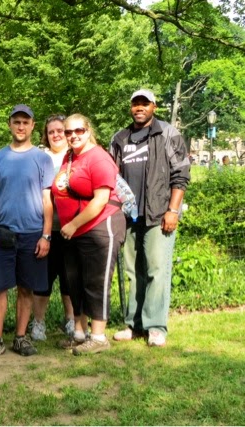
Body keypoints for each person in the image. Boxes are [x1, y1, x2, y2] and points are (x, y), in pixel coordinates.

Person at [110, 89, 190, 347]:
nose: (140, 107)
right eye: (136, 103)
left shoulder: (167, 133)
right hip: (129, 216)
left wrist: (173, 211)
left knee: (157, 269)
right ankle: (133, 325)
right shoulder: (120, 138)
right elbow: (111, 177)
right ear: (130, 107)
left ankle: (155, 327)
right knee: (133, 272)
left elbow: (181, 174)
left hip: (159, 215)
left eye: (145, 103)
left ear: (154, 106)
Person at [0, 104, 54, 362]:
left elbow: (47, 200)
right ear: (9, 124)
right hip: (2, 233)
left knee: (26, 288)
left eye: (25, 122)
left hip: (32, 234)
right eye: (16, 122)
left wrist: (46, 235)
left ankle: (20, 337)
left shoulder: (42, 159)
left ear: (33, 126)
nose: (21, 126)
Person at [52, 114, 126, 355]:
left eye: (79, 131)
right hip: (74, 230)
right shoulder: (70, 157)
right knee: (75, 282)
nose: (73, 135)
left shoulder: (99, 158)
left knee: (96, 281)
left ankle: (98, 336)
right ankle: (79, 333)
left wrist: (73, 224)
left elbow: (101, 199)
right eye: (68, 132)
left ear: (88, 130)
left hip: (100, 226)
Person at [29, 115, 75, 341]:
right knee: (43, 279)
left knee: (70, 278)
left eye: (60, 130)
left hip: (73, 228)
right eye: (51, 132)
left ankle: (71, 320)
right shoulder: (40, 157)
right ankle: (38, 322)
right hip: (44, 229)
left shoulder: (76, 156)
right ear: (45, 136)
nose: (56, 135)